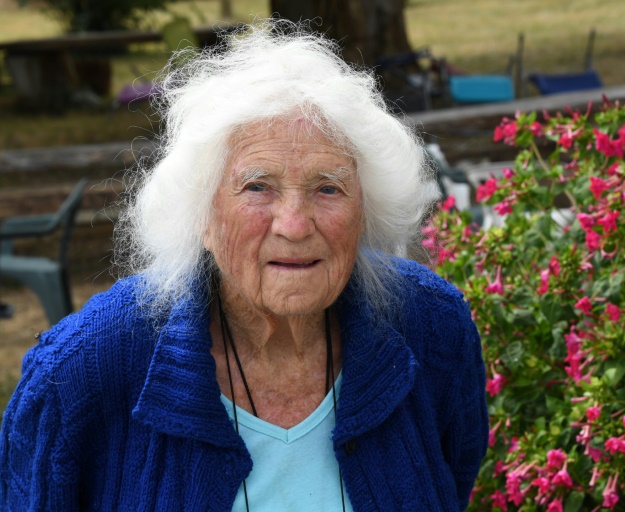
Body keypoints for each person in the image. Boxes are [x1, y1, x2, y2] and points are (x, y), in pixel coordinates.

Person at [0, 20, 488, 512]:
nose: (294, 226)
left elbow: (453, 477)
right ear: (203, 216)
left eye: (328, 187)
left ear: (366, 209)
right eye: (257, 187)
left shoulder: (433, 329)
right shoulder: (79, 372)